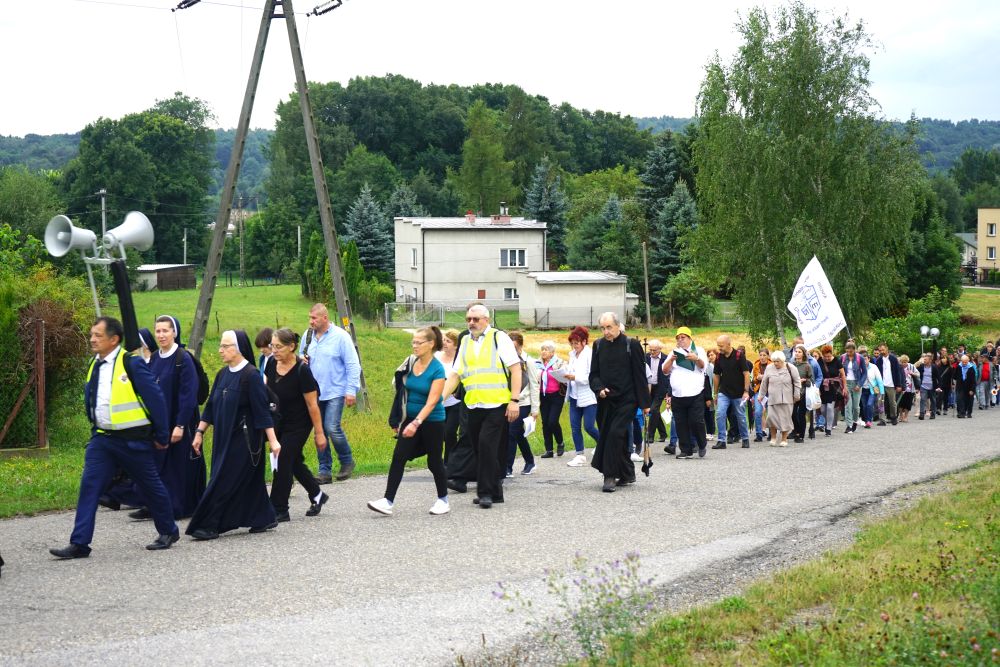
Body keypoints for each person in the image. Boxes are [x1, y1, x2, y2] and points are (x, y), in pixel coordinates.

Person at [49, 317, 180, 559]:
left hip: (133, 440)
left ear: (114, 339)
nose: (92, 339)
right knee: (90, 487)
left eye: (98, 335)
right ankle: (79, 543)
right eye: (92, 334)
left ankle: (169, 530)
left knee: (150, 485)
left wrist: (161, 434)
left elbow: (156, 400)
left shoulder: (131, 364)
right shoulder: (93, 364)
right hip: (103, 440)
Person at [187, 330, 281, 540]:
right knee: (249, 482)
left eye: (226, 346)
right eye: (221, 345)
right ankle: (263, 517)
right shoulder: (222, 374)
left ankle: (210, 524)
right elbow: (210, 406)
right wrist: (200, 432)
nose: (220, 350)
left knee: (224, 481)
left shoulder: (251, 376)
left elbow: (262, 411)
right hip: (223, 438)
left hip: (245, 441)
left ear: (238, 348)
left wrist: (273, 442)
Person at [122, 315, 207, 521]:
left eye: (165, 331)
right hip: (160, 423)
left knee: (178, 467)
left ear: (174, 333)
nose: (161, 335)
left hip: (181, 422)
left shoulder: (182, 358)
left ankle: (179, 507)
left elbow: (188, 395)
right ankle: (153, 505)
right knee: (157, 465)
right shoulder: (156, 359)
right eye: (158, 331)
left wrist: (179, 424)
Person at [442, 304, 522, 509]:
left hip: (497, 404)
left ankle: (485, 493)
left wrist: (514, 401)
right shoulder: (466, 341)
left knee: (487, 445)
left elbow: (515, 369)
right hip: (473, 404)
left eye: (475, 319)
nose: (471, 323)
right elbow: (455, 374)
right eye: (468, 319)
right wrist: (439, 399)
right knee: (478, 448)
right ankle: (496, 491)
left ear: (486, 319)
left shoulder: (498, 338)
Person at [370, 326, 450, 516]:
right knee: (399, 457)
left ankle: (443, 500)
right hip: (410, 419)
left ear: (430, 344)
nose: (414, 346)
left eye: (418, 342)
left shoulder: (437, 369)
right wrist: (401, 419)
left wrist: (417, 423)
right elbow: (400, 387)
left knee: (434, 462)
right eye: (413, 342)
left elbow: (432, 402)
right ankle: (387, 501)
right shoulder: (411, 362)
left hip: (432, 421)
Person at [265, 328, 329, 522]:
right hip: (278, 420)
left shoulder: (302, 371)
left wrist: (319, 433)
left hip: (299, 423)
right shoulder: (270, 364)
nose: (274, 350)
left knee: (283, 458)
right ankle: (317, 494)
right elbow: (267, 392)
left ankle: (279, 508)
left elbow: (313, 405)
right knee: (292, 461)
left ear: (292, 347)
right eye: (272, 346)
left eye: (278, 346)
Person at [589, 313, 650, 492]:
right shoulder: (598, 345)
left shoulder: (632, 345)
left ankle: (609, 475)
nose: (606, 331)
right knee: (615, 436)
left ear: (618, 326)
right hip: (606, 400)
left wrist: (645, 404)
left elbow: (640, 376)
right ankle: (627, 473)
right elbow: (594, 374)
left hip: (627, 400)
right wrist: (599, 388)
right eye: (603, 328)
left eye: (609, 327)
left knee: (614, 434)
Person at [300, 303, 360, 483]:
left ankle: (347, 461)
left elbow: (352, 364)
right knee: (319, 431)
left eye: (314, 318)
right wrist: (301, 360)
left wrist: (351, 391)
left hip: (335, 390)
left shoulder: (341, 337)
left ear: (324, 318)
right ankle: (324, 471)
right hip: (314, 392)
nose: (311, 322)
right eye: (309, 318)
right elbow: (301, 356)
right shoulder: (308, 335)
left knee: (331, 427)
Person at [663, 326, 709, 459]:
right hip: (678, 394)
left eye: (683, 337)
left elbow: (703, 366)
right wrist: (671, 359)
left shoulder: (698, 350)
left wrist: (696, 358)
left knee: (696, 421)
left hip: (695, 393)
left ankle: (701, 444)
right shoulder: (674, 352)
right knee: (680, 422)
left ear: (689, 338)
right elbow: (665, 370)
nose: (680, 340)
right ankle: (685, 449)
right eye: (678, 338)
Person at [505, 332, 540, 477]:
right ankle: (530, 461)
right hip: (508, 402)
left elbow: (534, 385)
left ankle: (507, 468)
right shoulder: (506, 361)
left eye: (513, 346)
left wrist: (535, 409)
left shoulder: (528, 362)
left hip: (523, 402)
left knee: (512, 433)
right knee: (518, 434)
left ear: (520, 346)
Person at [563, 326, 599, 468]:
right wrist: (564, 373)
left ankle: (604, 443)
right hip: (574, 395)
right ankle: (579, 455)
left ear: (584, 342)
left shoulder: (590, 354)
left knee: (589, 426)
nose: (574, 346)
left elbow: (592, 376)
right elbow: (571, 371)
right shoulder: (572, 354)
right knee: (574, 426)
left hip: (588, 395)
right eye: (572, 343)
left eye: (576, 343)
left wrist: (574, 377)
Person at [712, 335, 752, 450]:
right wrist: (715, 393)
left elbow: (746, 374)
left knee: (740, 416)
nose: (719, 348)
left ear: (729, 344)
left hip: (739, 393)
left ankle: (745, 438)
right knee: (720, 414)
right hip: (724, 392)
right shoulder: (719, 357)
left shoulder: (739, 356)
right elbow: (716, 375)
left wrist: (746, 391)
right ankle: (721, 441)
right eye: (718, 345)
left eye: (721, 346)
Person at [760, 350, 800, 446]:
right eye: (774, 361)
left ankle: (784, 439)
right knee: (772, 418)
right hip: (773, 398)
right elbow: (764, 382)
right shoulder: (769, 368)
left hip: (786, 398)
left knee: (785, 419)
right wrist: (761, 395)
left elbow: (797, 382)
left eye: (778, 361)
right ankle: (773, 438)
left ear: (782, 360)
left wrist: (796, 395)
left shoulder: (791, 368)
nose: (776, 363)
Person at [536, 340, 567, 458]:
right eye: (542, 349)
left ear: (552, 352)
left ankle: (560, 442)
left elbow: (565, 375)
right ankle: (549, 450)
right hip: (543, 396)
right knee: (545, 423)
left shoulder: (559, 362)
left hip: (556, 395)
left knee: (552, 421)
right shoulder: (537, 363)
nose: (543, 352)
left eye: (546, 350)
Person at [436, 329, 463, 466]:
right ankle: (437, 461)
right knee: (439, 434)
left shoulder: (459, 359)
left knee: (450, 432)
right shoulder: (436, 357)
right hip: (438, 402)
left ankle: (449, 462)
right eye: (444, 340)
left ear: (456, 345)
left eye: (448, 341)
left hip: (454, 402)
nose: (444, 343)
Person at [644, 339, 670, 445]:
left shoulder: (666, 358)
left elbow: (669, 375)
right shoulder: (645, 357)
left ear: (660, 349)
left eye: (654, 350)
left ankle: (650, 435)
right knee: (655, 411)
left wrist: (668, 391)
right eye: (650, 350)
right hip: (649, 387)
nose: (652, 352)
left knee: (653, 410)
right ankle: (663, 434)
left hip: (661, 387)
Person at [817, 345, 846, 437]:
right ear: (822, 355)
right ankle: (826, 423)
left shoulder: (837, 360)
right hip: (822, 387)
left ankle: (828, 428)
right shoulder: (820, 361)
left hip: (833, 386)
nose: (827, 358)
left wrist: (844, 387)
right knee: (822, 409)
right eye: (825, 356)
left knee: (830, 407)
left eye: (829, 356)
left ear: (831, 354)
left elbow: (843, 374)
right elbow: (817, 373)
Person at [840, 341, 868, 434]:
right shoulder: (843, 357)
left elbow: (864, 373)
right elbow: (839, 371)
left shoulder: (860, 358)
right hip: (846, 383)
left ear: (854, 350)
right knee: (848, 405)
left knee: (856, 407)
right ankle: (849, 425)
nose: (849, 353)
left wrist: (859, 385)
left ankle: (855, 421)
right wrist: (842, 384)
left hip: (857, 383)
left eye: (851, 352)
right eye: (847, 351)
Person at [790, 345, 815, 442]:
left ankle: (801, 435)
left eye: (799, 352)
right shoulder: (791, 365)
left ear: (803, 354)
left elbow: (812, 381)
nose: (797, 353)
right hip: (793, 392)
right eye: (796, 351)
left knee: (801, 414)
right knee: (792, 413)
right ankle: (796, 430)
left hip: (804, 393)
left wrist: (804, 380)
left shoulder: (807, 366)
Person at [876, 343, 903, 425]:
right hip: (881, 384)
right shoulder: (879, 360)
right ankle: (882, 419)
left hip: (891, 384)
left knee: (892, 402)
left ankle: (894, 417)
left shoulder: (893, 359)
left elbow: (898, 372)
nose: (881, 352)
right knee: (880, 402)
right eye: (880, 350)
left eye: (883, 350)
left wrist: (898, 385)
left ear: (887, 349)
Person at [750, 348, 770, 442]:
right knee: (758, 412)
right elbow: (753, 379)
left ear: (768, 356)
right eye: (760, 355)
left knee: (771, 413)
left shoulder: (772, 365)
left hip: (771, 391)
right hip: (759, 390)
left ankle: (771, 433)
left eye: (764, 355)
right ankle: (759, 434)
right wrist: (757, 378)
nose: (762, 357)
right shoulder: (756, 365)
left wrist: (765, 377)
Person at [915, 352, 940, 420]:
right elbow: (916, 374)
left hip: (932, 386)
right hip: (923, 386)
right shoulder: (921, 366)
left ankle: (932, 414)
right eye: (924, 359)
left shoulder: (934, 367)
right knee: (922, 399)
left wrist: (939, 387)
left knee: (933, 400)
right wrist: (917, 387)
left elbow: (938, 377)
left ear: (930, 360)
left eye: (925, 359)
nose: (924, 361)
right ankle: (922, 414)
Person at [954, 354, 977, 418]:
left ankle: (969, 413)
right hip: (960, 385)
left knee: (969, 400)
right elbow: (955, 376)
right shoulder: (959, 367)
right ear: (961, 361)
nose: (964, 363)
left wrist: (972, 390)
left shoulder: (971, 368)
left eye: (965, 362)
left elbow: (973, 380)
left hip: (969, 386)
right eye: (963, 362)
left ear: (968, 361)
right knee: (960, 399)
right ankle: (961, 413)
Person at [897, 354, 917, 422]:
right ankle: (901, 416)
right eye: (902, 362)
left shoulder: (911, 366)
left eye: (905, 362)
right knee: (900, 403)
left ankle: (906, 416)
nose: (903, 363)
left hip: (910, 388)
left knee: (908, 403)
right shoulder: (899, 367)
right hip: (901, 387)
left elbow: (918, 374)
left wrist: (913, 373)